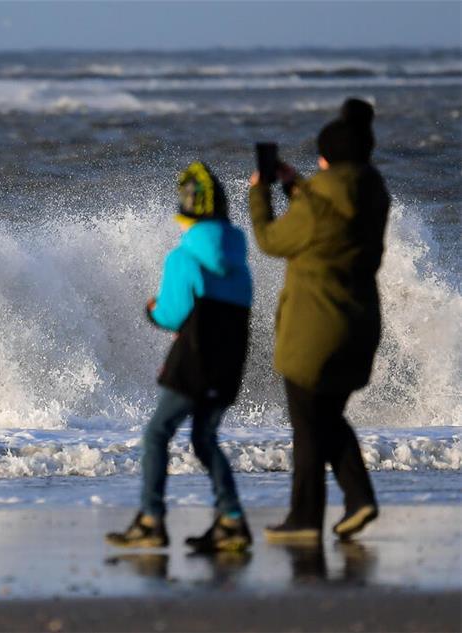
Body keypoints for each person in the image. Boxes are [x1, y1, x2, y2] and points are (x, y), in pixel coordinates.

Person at [248, 98, 389, 544]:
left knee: (309, 425)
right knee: (326, 417)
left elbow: (272, 239)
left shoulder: (318, 203)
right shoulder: (372, 191)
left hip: (315, 331)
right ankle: (359, 498)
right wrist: (297, 187)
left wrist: (260, 193)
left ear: (327, 158)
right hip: (359, 325)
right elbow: (328, 218)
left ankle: (305, 518)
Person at [107, 162, 253, 552]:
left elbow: (171, 314)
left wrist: (151, 309)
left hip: (195, 359)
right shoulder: (239, 260)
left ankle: (151, 520)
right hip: (230, 361)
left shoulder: (183, 257)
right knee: (205, 439)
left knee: (156, 434)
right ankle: (232, 520)